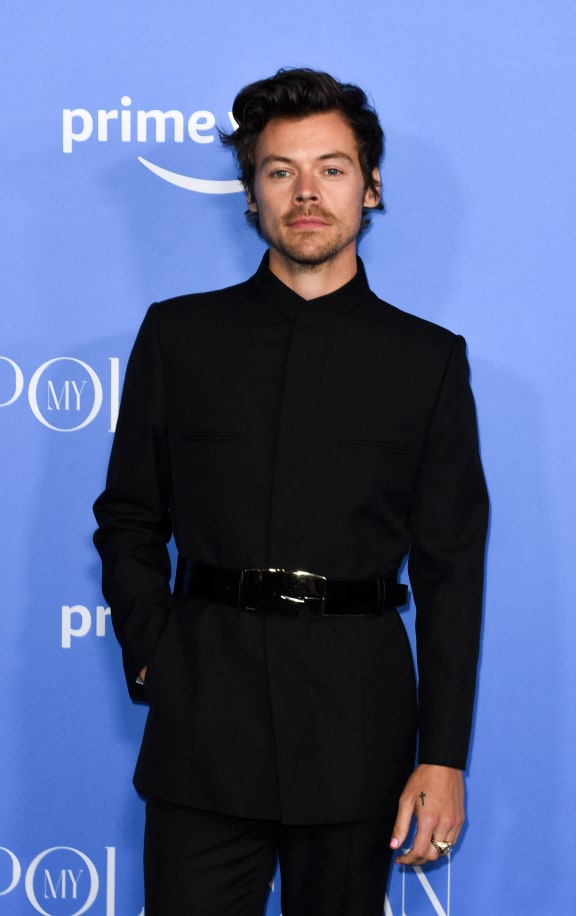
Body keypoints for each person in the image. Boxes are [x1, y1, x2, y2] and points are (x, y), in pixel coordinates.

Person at [93, 67, 488, 916]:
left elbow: (452, 568)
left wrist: (443, 753)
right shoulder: (179, 336)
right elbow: (127, 517)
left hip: (359, 729)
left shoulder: (428, 361)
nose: (306, 193)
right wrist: (154, 646)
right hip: (203, 723)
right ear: (251, 194)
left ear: (371, 188)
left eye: (332, 168)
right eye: (280, 171)